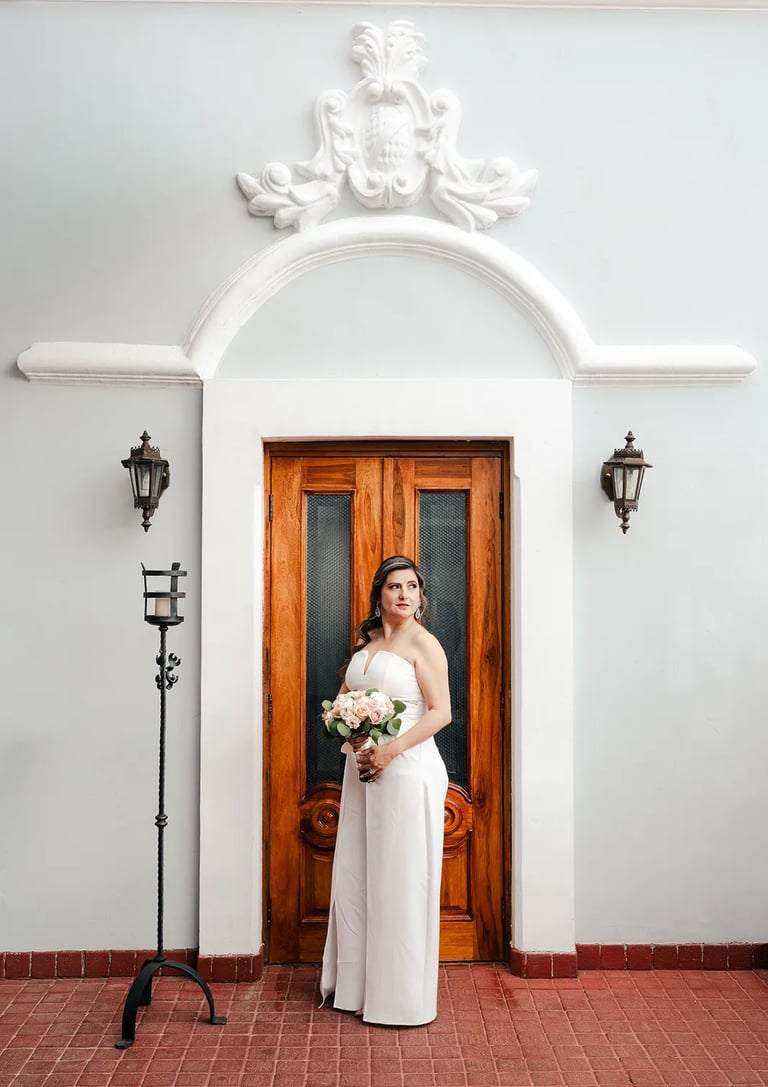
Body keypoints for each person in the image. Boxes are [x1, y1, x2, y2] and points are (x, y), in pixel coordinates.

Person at [320, 555, 451, 1027]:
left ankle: (399, 998)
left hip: (407, 769)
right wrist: (352, 732)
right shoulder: (368, 643)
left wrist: (389, 751)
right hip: (363, 772)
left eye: (412, 587)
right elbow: (344, 702)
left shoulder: (425, 643)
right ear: (379, 595)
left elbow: (440, 713)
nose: (403, 594)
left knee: (401, 879)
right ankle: (358, 988)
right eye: (394, 586)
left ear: (420, 595)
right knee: (359, 875)